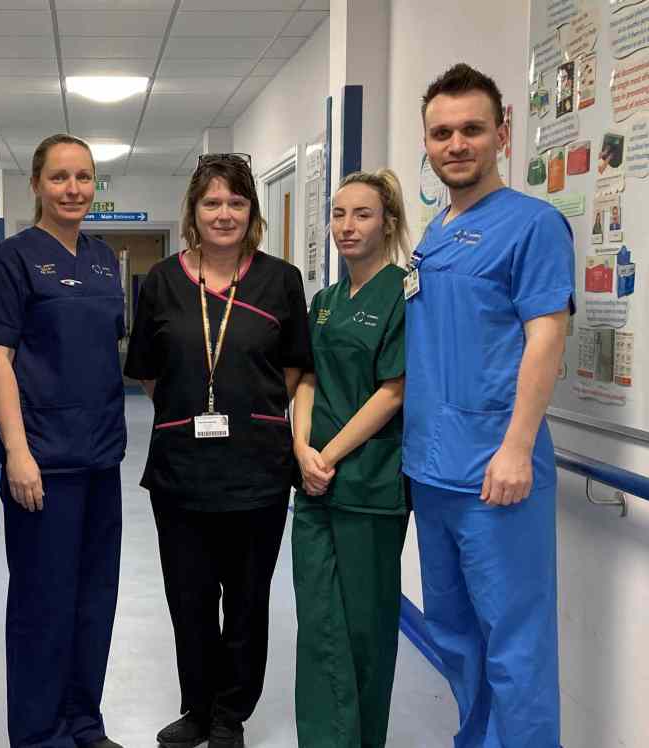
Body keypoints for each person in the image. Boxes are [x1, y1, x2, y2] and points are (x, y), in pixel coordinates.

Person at [406, 64, 573, 747]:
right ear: (426, 142)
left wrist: (516, 447)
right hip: (431, 471)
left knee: (515, 644)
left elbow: (546, 337)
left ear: (502, 133)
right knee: (453, 635)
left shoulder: (533, 226)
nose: (456, 144)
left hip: (496, 474)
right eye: (441, 132)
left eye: (471, 129)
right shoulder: (434, 233)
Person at [124, 152, 311, 748]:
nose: (224, 214)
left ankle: (231, 714)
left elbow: (293, 368)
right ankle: (198, 707)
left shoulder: (281, 280)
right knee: (190, 598)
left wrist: (254, 411)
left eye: (236, 202)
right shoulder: (163, 282)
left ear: (252, 211)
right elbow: (148, 372)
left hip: (257, 470)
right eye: (212, 202)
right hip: (181, 471)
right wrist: (191, 409)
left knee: (249, 600)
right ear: (193, 211)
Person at [0, 134, 126, 748]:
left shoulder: (103, 259)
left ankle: (84, 723)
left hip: (101, 457)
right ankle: (40, 734)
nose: (73, 189)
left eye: (84, 177)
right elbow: (0, 361)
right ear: (36, 184)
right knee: (44, 603)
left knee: (94, 600)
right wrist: (17, 451)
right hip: (43, 462)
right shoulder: (12, 260)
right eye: (60, 177)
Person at [290, 169, 411, 748]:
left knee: (365, 627)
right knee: (316, 621)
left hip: (368, 484)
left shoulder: (404, 293)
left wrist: (327, 456)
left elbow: (394, 390)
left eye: (362, 214)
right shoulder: (324, 302)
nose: (347, 226)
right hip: (314, 484)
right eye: (338, 214)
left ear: (387, 223)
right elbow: (308, 379)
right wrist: (301, 448)